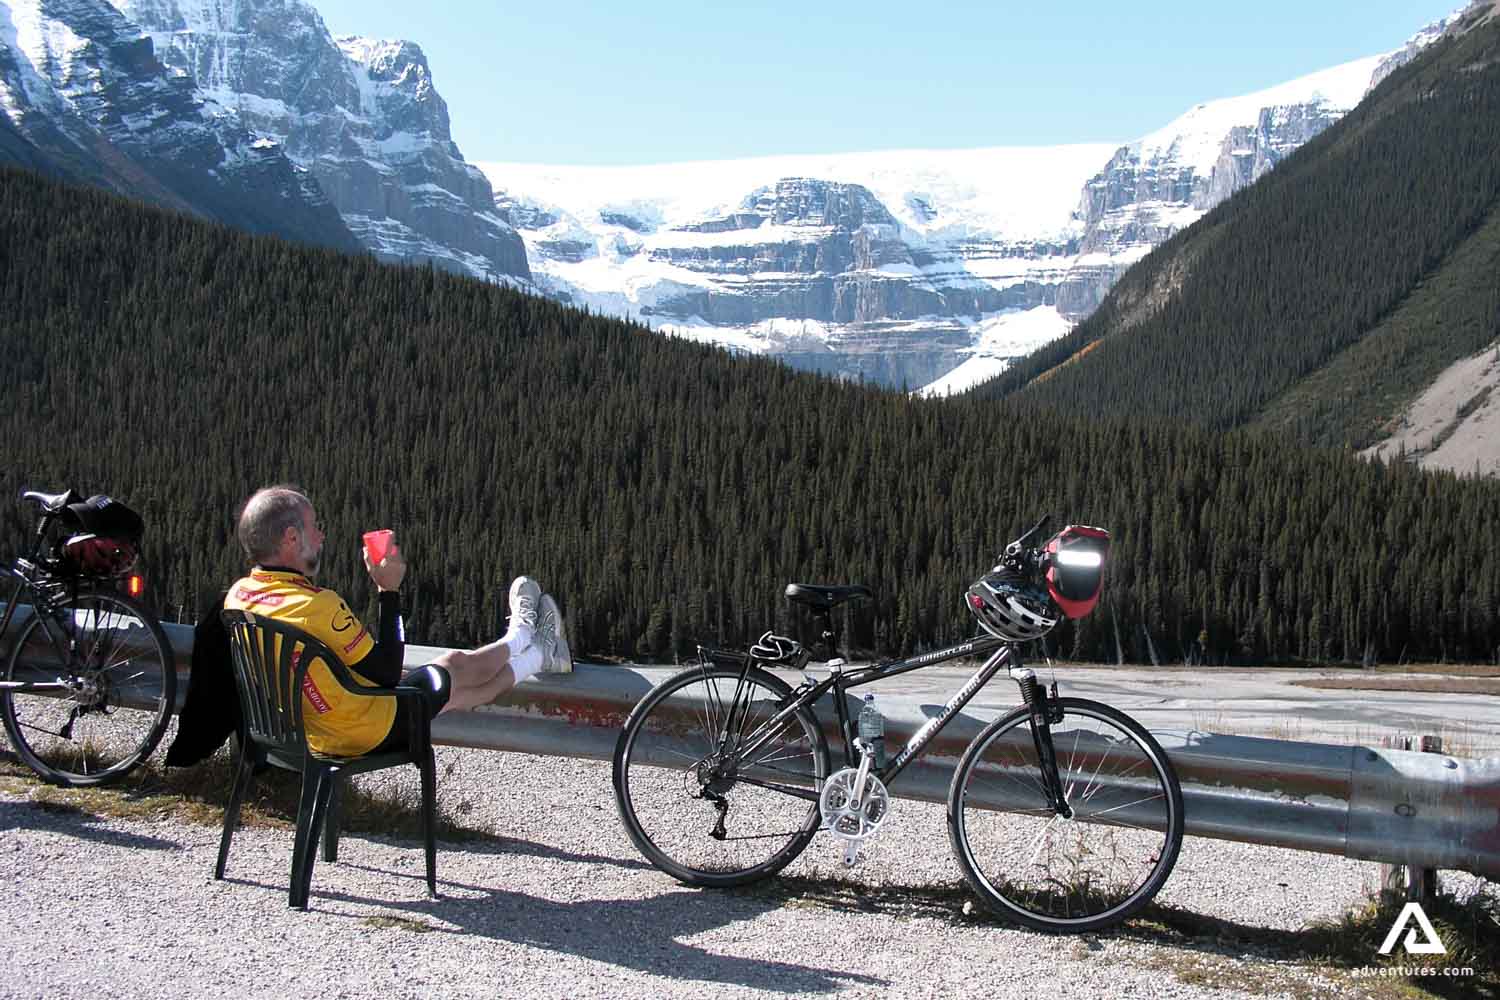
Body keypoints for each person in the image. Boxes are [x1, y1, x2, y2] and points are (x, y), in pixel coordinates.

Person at [223, 485, 570, 759]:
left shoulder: (238, 596)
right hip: (364, 730)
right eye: (315, 528)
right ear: (291, 538)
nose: (321, 536)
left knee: (447, 690)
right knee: (452, 668)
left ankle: (538, 650)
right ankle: (526, 637)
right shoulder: (317, 606)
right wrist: (388, 590)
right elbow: (388, 673)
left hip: (305, 729)